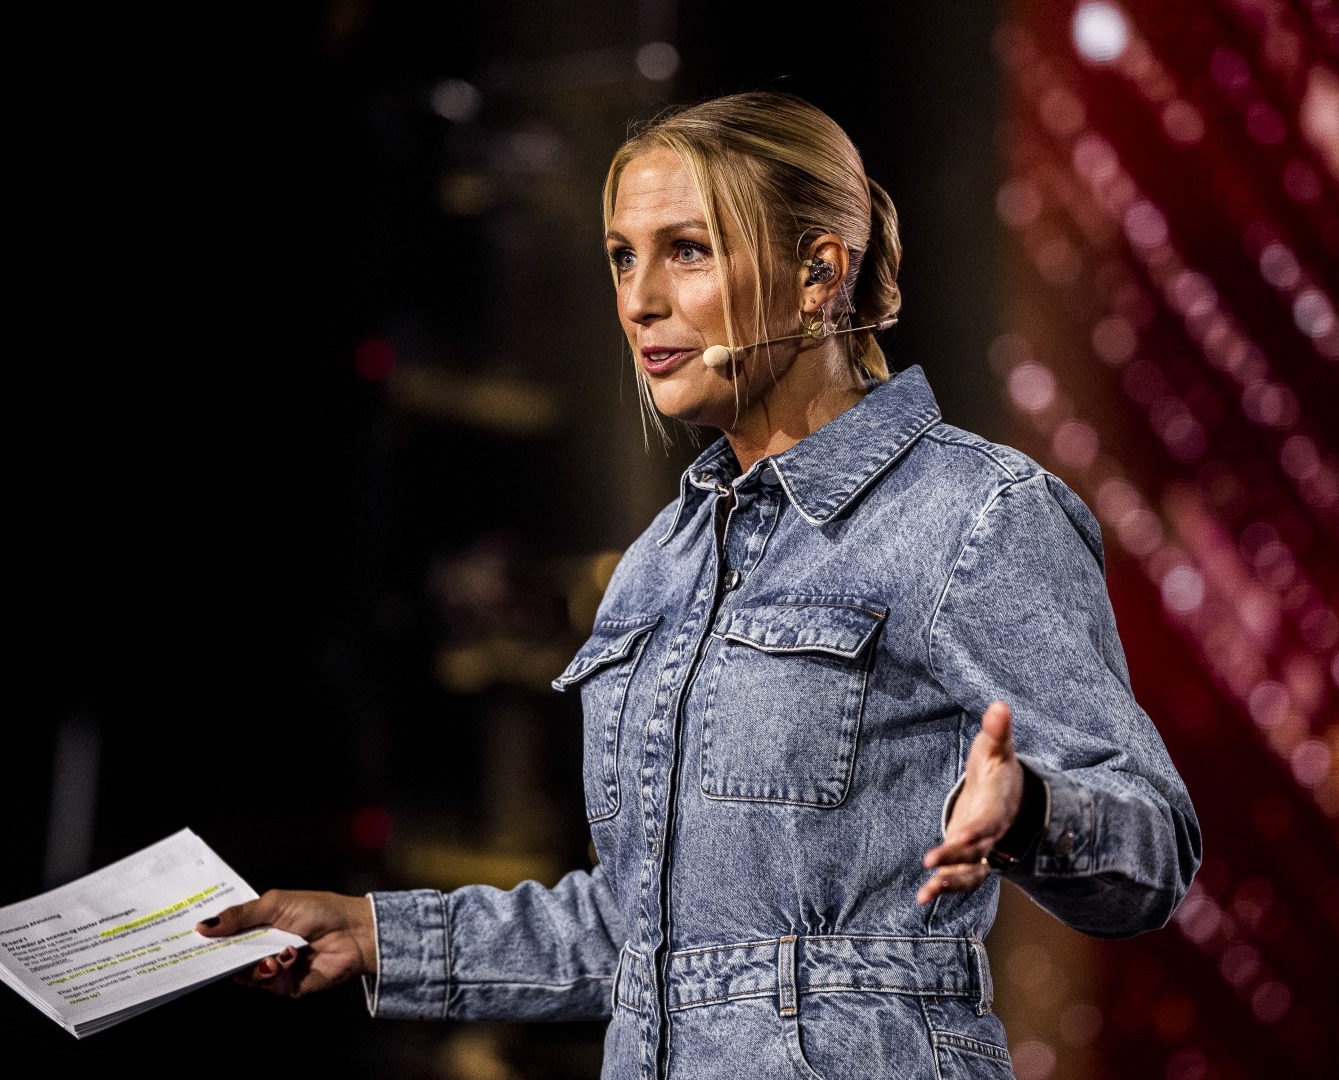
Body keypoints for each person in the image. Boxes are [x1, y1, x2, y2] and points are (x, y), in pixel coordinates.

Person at [198, 90, 1201, 1080]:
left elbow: (1153, 850)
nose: (640, 300)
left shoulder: (973, 514)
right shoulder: (661, 561)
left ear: (818, 274)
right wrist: (373, 935)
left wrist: (1028, 811)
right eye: (622, 257)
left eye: (687, 250)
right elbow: (638, 939)